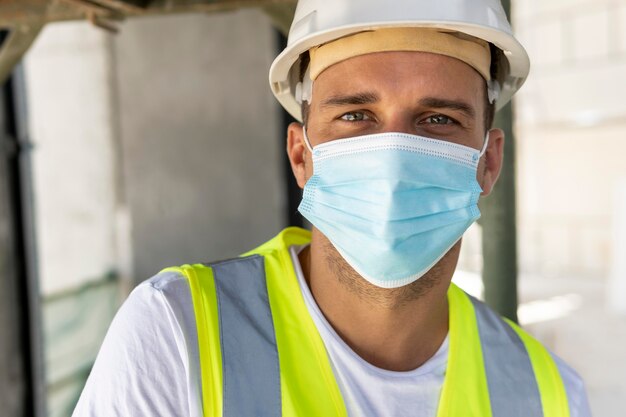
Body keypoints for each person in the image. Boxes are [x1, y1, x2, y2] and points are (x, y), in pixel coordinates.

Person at [73, 0, 592, 416]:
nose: (393, 157)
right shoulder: (176, 335)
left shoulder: (549, 397)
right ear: (302, 155)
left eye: (437, 121)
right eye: (356, 115)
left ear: (488, 163)